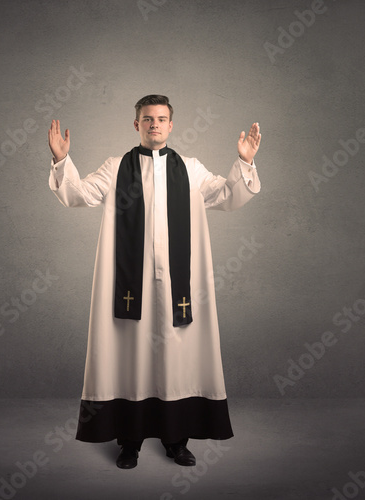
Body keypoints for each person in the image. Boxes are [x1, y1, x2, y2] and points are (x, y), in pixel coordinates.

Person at [48, 94, 261, 469]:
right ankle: (128, 442)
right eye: (147, 119)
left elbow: (228, 195)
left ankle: (176, 441)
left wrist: (244, 162)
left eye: (161, 119)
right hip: (131, 287)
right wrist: (61, 160)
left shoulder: (191, 169)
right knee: (129, 358)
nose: (155, 125)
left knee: (175, 360)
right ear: (136, 124)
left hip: (179, 287)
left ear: (171, 124)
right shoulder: (116, 168)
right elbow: (77, 194)